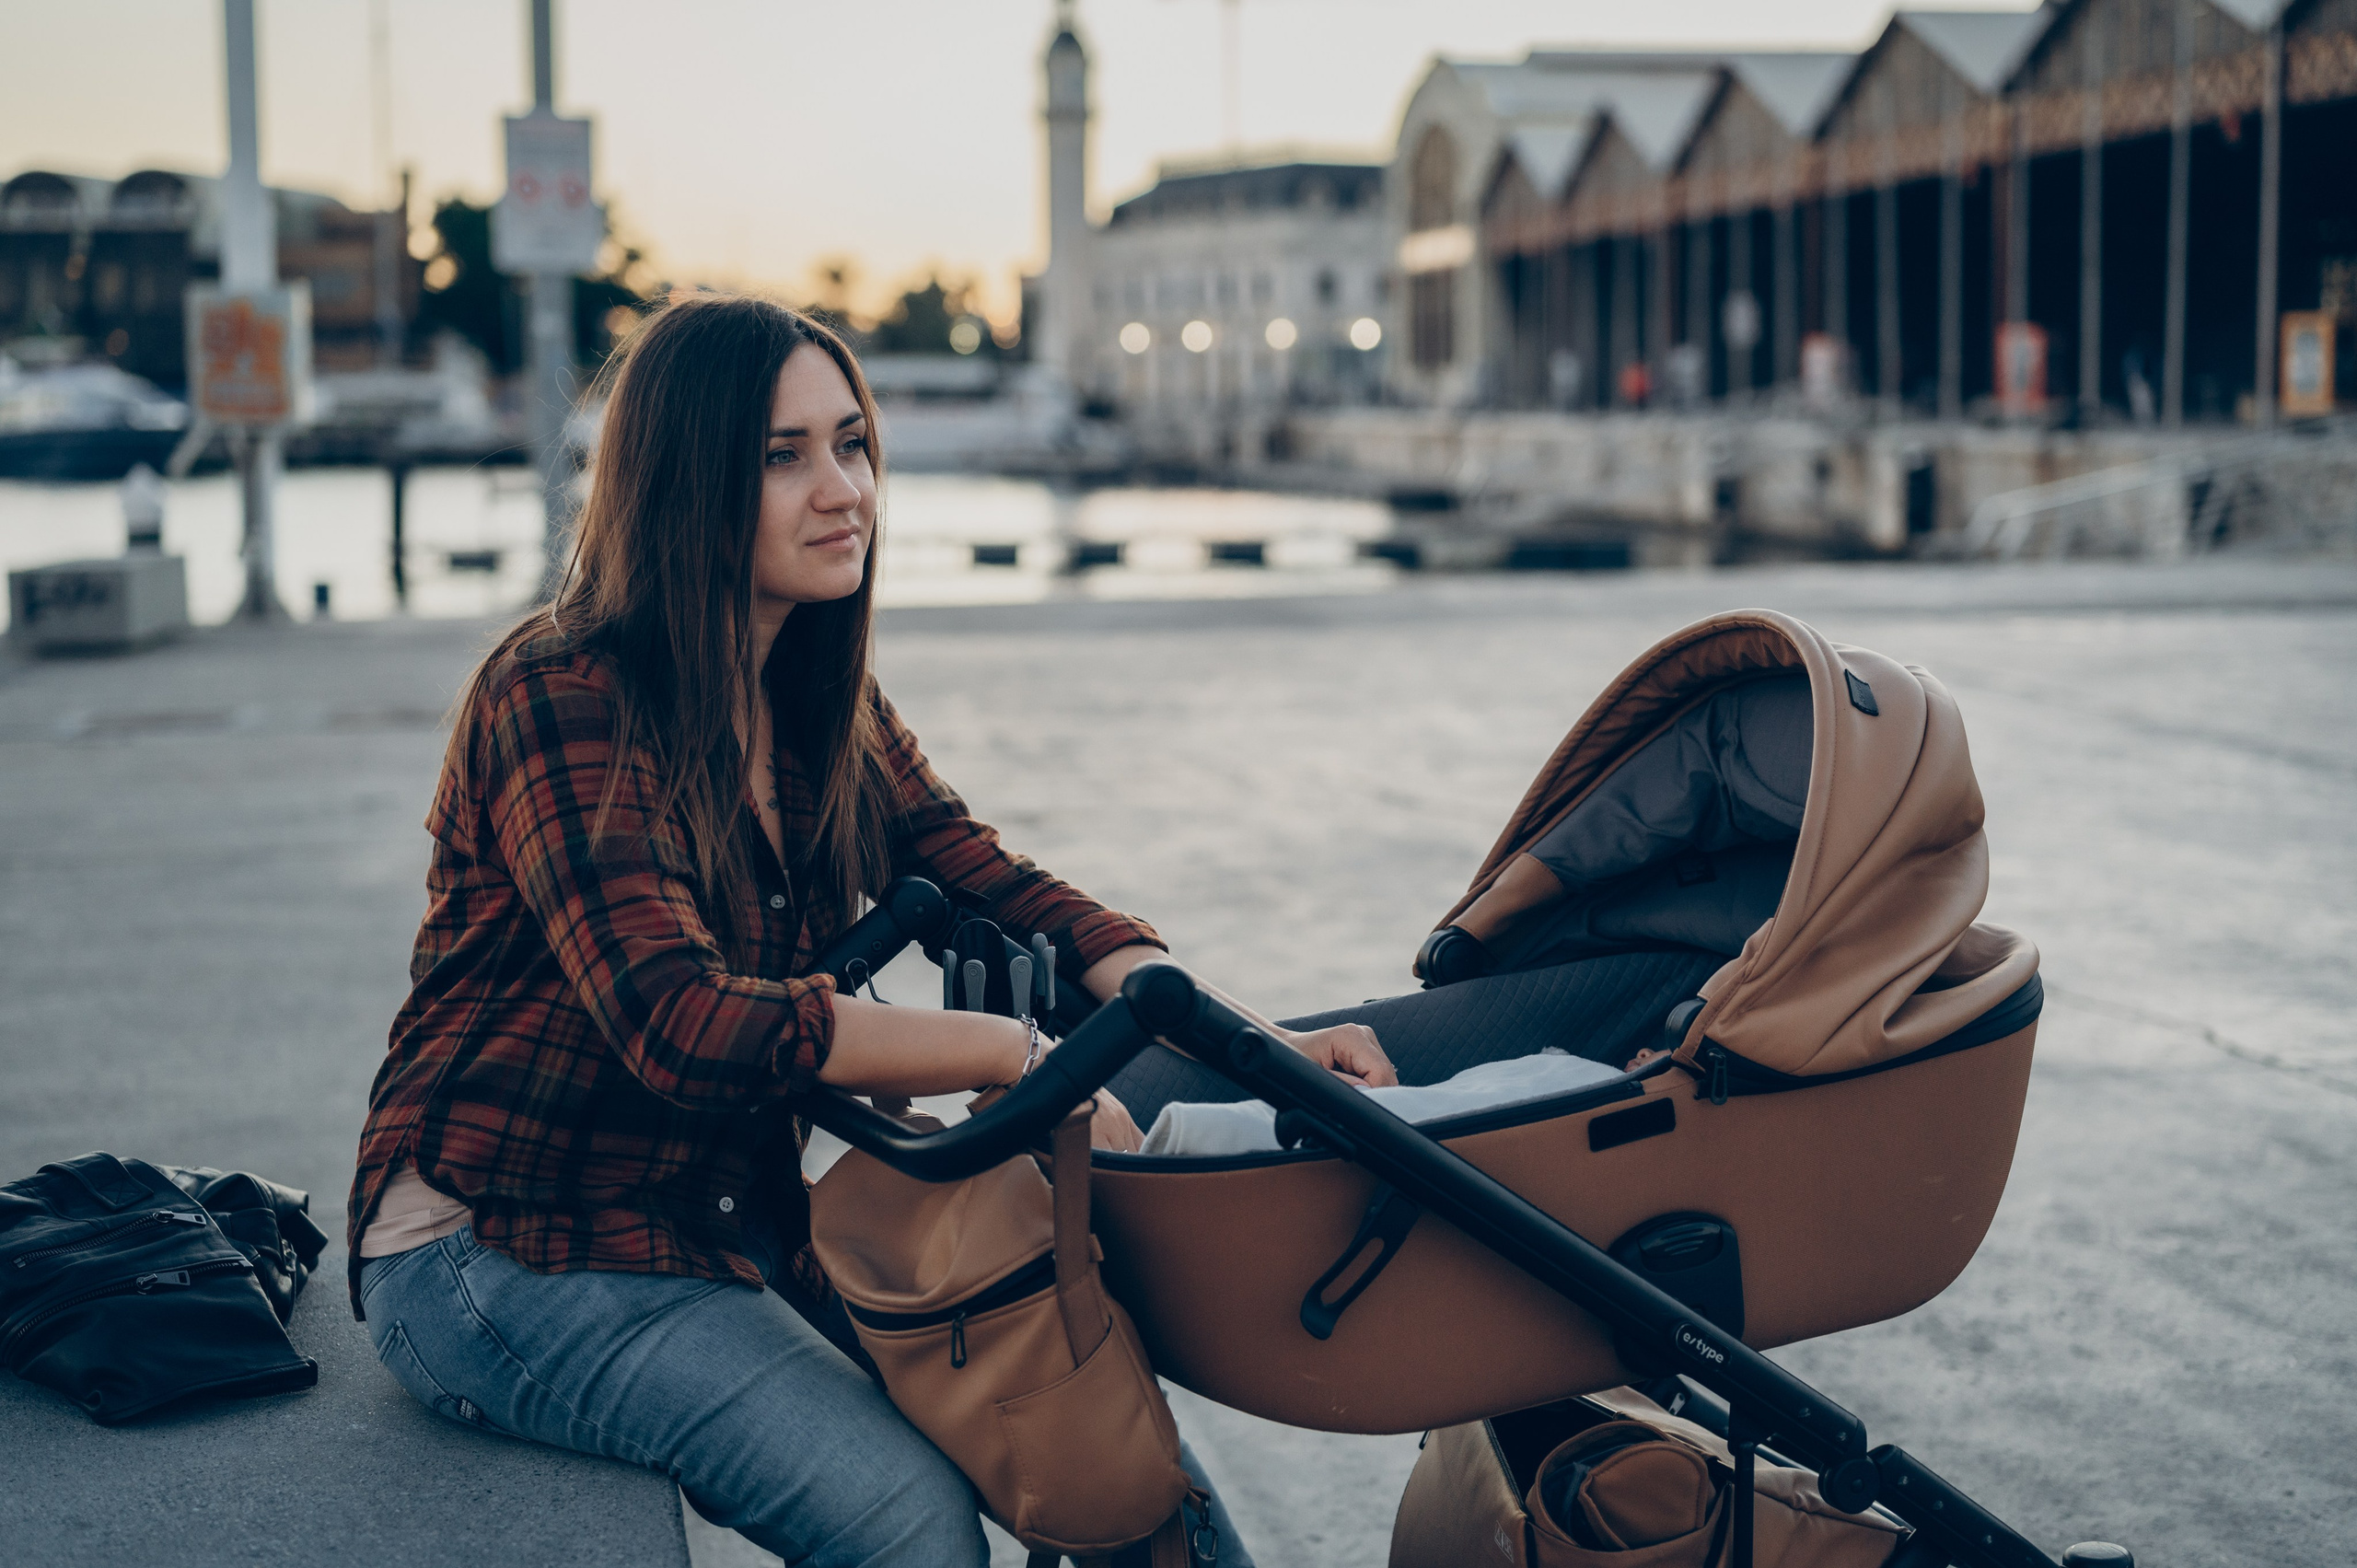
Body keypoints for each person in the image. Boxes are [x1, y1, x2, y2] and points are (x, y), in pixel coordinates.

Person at [344, 295, 1394, 1566]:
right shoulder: (561, 692)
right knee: (905, 1520)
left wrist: (1263, 1048)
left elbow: (998, 883)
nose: (844, 490)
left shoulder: (814, 694)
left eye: (851, 444)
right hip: (497, 1247)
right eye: (782, 456)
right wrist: (1013, 1053)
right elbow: (681, 1023)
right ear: (683, 483)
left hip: (717, 1217)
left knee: (1112, 1456)